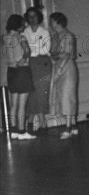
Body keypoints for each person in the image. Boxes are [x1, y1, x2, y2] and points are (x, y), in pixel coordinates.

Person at [2, 14, 36, 140]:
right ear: (19, 24)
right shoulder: (20, 37)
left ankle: (14, 130)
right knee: (22, 105)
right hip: (22, 71)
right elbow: (27, 52)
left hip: (11, 71)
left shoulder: (5, 38)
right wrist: (23, 59)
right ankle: (22, 131)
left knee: (13, 105)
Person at [49, 12, 78, 140]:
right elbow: (53, 54)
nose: (50, 23)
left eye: (52, 21)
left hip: (67, 68)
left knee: (68, 96)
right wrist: (57, 59)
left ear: (57, 21)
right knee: (62, 96)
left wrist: (60, 69)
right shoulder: (55, 36)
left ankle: (68, 128)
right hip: (58, 66)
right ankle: (73, 125)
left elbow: (66, 55)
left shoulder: (68, 36)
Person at [23, 7, 52, 135]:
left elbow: (46, 49)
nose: (32, 19)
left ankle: (42, 121)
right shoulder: (25, 32)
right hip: (30, 65)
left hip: (44, 65)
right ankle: (30, 120)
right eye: (30, 16)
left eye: (34, 16)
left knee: (42, 92)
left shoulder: (44, 31)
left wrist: (32, 50)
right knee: (31, 92)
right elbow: (24, 49)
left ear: (39, 17)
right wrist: (34, 49)